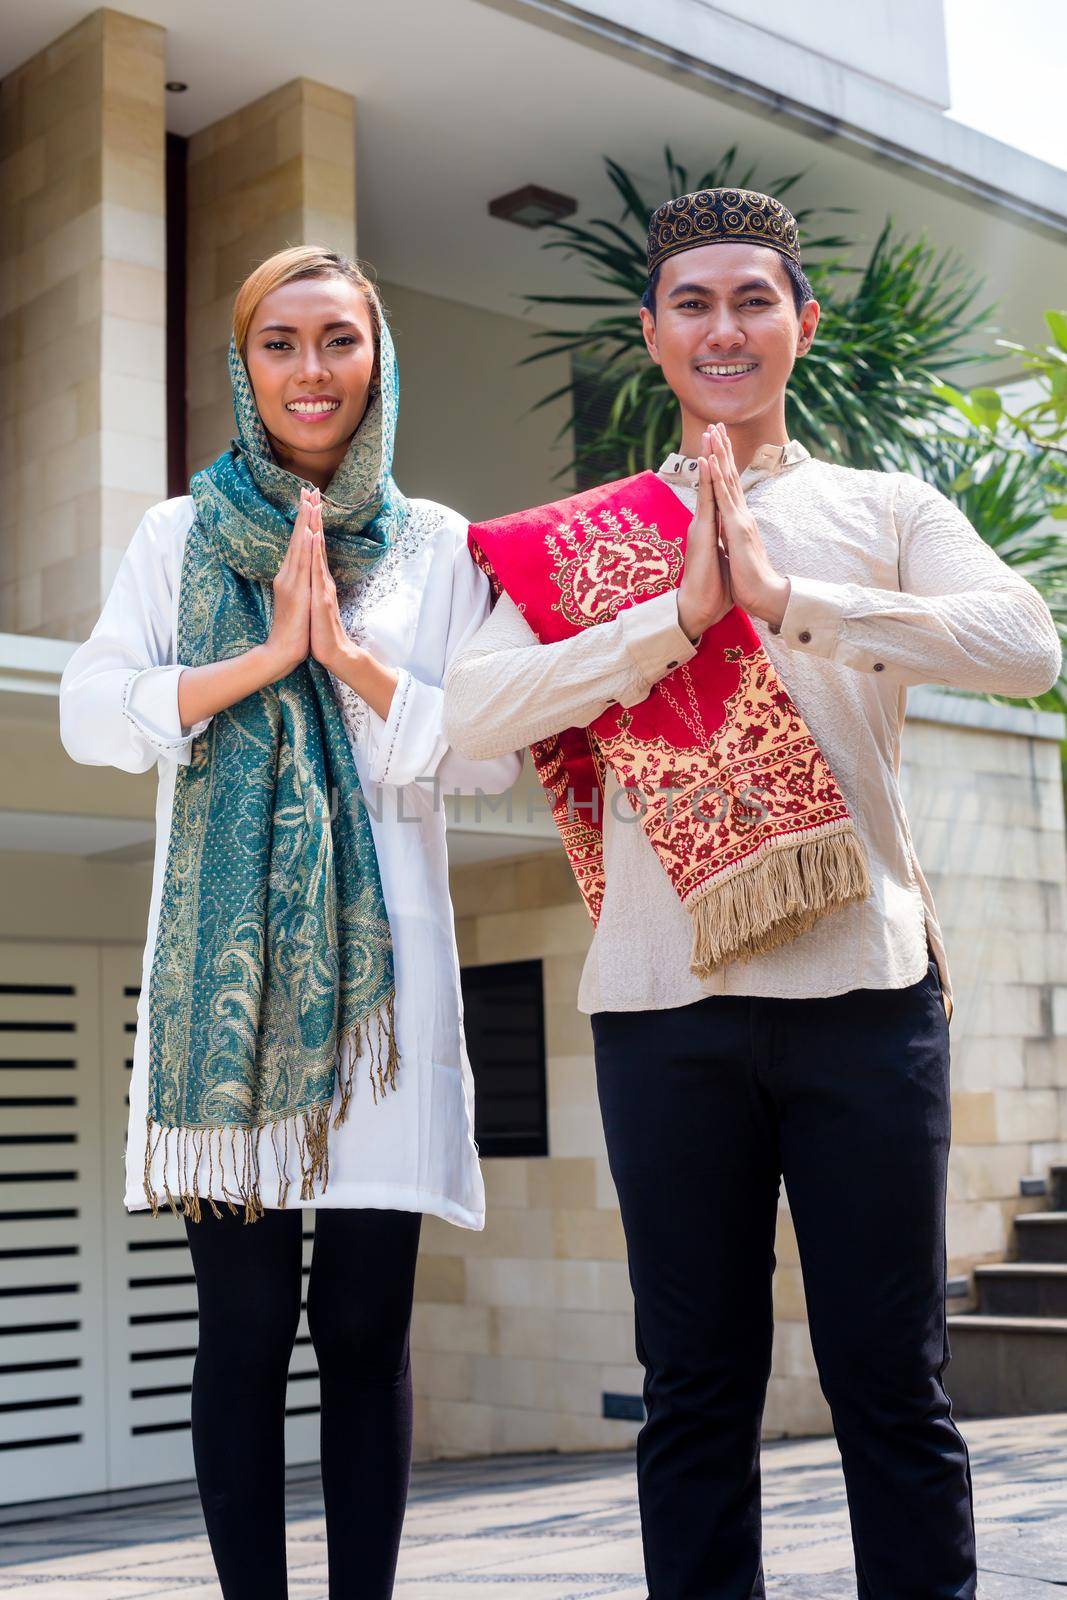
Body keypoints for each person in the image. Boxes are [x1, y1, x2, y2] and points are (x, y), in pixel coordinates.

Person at [442, 188, 1062, 1599]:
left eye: (752, 300)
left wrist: (789, 598)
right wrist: (669, 621)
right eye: (694, 303)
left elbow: (1024, 640)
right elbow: (471, 713)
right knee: (695, 1392)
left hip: (866, 999)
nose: (724, 329)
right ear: (651, 332)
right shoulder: (581, 544)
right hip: (666, 1012)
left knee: (891, 1386)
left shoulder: (882, 507)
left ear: (801, 322)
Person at [59, 245, 521, 1600]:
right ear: (241, 364)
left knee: (366, 1331)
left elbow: (493, 747)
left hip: (389, 1002)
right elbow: (94, 712)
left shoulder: (438, 543)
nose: (311, 371)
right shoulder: (178, 536)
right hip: (228, 995)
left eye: (338, 340)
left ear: (378, 359)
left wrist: (351, 665)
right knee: (246, 1328)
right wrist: (256, 663)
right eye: (280, 342)